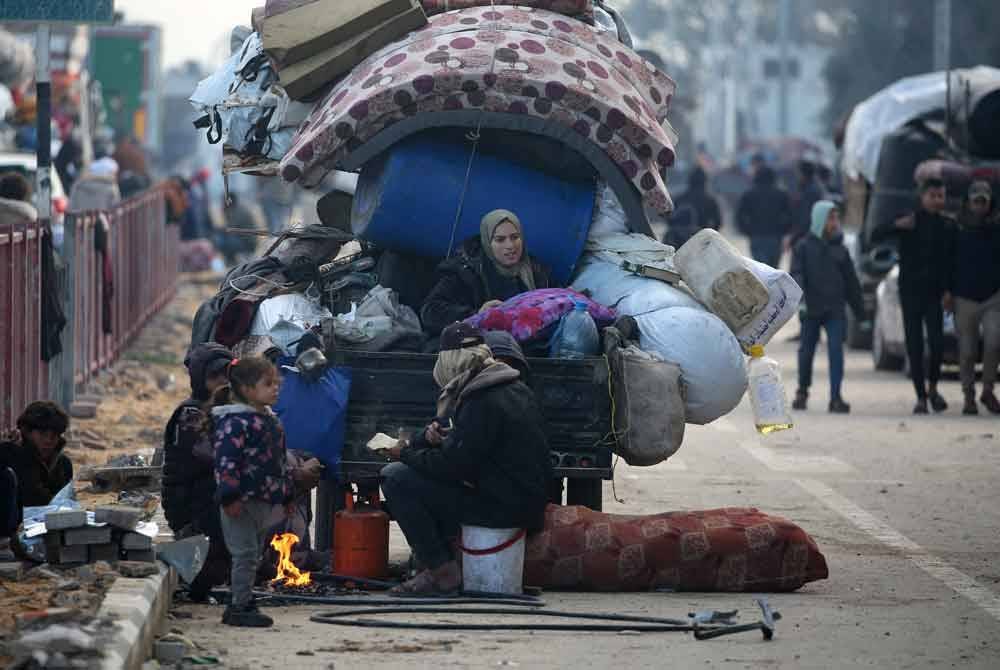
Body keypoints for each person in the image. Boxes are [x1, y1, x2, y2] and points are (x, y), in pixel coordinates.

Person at [380, 322, 552, 595]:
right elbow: (484, 448)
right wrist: (443, 438)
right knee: (420, 477)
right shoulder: (515, 388)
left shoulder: (481, 399)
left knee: (396, 477)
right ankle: (454, 562)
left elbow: (452, 468)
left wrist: (406, 453)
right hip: (524, 505)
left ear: (449, 363)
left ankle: (441, 572)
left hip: (502, 509)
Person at [212, 357, 293, 628]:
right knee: (245, 554)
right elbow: (226, 462)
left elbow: (279, 463)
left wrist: (286, 494)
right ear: (247, 389)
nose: (275, 389)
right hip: (241, 501)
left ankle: (240, 600)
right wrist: (229, 496)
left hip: (262, 500)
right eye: (268, 384)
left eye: (276, 384)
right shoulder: (236, 422)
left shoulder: (268, 421)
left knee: (253, 553)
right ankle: (240, 606)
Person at [873, 177, 955, 414]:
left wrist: (949, 290)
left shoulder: (947, 225)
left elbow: (951, 262)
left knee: (937, 344)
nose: (937, 200)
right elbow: (875, 235)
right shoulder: (909, 221)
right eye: (933, 196)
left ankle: (933, 388)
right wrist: (896, 225)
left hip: (935, 295)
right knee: (915, 345)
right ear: (922, 197)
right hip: (910, 294)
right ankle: (920, 396)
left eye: (941, 196)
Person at [163, 343, 235, 601]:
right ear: (200, 378)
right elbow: (216, 458)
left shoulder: (223, 410)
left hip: (205, 503)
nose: (223, 382)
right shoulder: (191, 413)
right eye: (215, 376)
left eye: (228, 375)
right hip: (190, 508)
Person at [421, 209, 551, 338]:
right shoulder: (466, 270)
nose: (510, 245)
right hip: (479, 348)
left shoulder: (535, 270)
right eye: (500, 240)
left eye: (515, 237)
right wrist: (478, 315)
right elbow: (430, 312)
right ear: (488, 243)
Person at [790, 201, 864, 413]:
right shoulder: (803, 247)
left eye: (836, 218)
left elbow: (852, 283)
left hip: (835, 311)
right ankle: (802, 391)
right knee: (806, 352)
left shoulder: (840, 250)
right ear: (820, 219)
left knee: (835, 352)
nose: (835, 223)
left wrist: (861, 313)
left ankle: (835, 397)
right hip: (810, 310)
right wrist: (800, 302)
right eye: (831, 218)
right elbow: (796, 275)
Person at [945, 181, 1000, 415]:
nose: (979, 205)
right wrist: (947, 292)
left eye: (983, 201)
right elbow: (947, 262)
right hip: (964, 297)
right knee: (966, 351)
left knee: (994, 342)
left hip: (993, 296)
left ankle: (988, 390)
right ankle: (968, 396)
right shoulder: (956, 228)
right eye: (975, 200)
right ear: (968, 202)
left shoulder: (997, 228)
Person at [0, 402, 73, 529]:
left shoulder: (63, 464)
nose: (48, 441)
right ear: (27, 432)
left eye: (54, 436)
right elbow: (33, 497)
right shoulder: (11, 456)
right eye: (42, 434)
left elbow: (64, 503)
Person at [736, 165, 792, 268]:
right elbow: (790, 215)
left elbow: (740, 215)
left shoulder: (749, 195)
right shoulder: (781, 195)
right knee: (773, 269)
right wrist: (784, 230)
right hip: (775, 237)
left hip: (756, 236)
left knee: (760, 269)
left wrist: (746, 230)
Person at [667, 167, 722, 247]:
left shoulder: (681, 199)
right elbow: (717, 222)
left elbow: (670, 219)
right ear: (705, 181)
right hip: (702, 242)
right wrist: (708, 236)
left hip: (679, 242)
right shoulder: (710, 200)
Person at [788, 160, 826, 249]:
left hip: (807, 238)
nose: (796, 175)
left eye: (798, 172)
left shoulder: (811, 191)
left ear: (803, 174)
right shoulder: (812, 188)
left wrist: (795, 237)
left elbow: (805, 217)